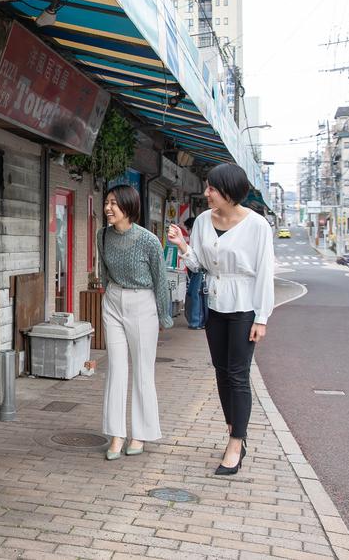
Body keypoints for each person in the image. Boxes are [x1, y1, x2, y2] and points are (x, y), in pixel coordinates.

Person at [167, 163, 275, 476]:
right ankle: (235, 425)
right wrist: (183, 246)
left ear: (229, 191)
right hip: (215, 304)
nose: (206, 193)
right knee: (221, 371)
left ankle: (236, 441)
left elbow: (265, 272)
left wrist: (262, 317)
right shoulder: (203, 220)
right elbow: (199, 264)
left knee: (238, 374)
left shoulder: (257, 226)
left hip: (245, 307)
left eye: (212, 188)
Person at [98, 185, 173, 461]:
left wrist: (164, 315)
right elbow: (104, 271)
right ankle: (116, 434)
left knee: (142, 371)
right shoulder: (102, 235)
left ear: (129, 207)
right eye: (107, 202)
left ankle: (140, 433)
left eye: (114, 203)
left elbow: (161, 280)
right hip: (113, 300)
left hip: (143, 303)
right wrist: (109, 294)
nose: (108, 208)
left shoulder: (149, 241)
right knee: (116, 368)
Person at [183, 216, 208, 330]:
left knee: (196, 294)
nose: (188, 231)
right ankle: (197, 320)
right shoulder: (202, 236)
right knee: (196, 294)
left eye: (188, 228)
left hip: (199, 270)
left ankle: (196, 321)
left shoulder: (198, 237)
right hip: (199, 270)